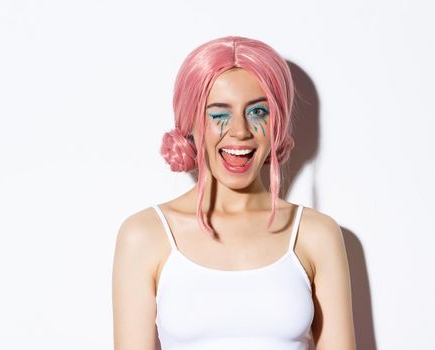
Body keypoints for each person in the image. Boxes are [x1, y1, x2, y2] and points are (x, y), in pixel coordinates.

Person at [112, 36, 356, 350]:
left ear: (277, 123)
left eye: (258, 112)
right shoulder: (145, 235)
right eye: (219, 114)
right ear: (191, 124)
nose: (240, 131)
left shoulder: (316, 234)